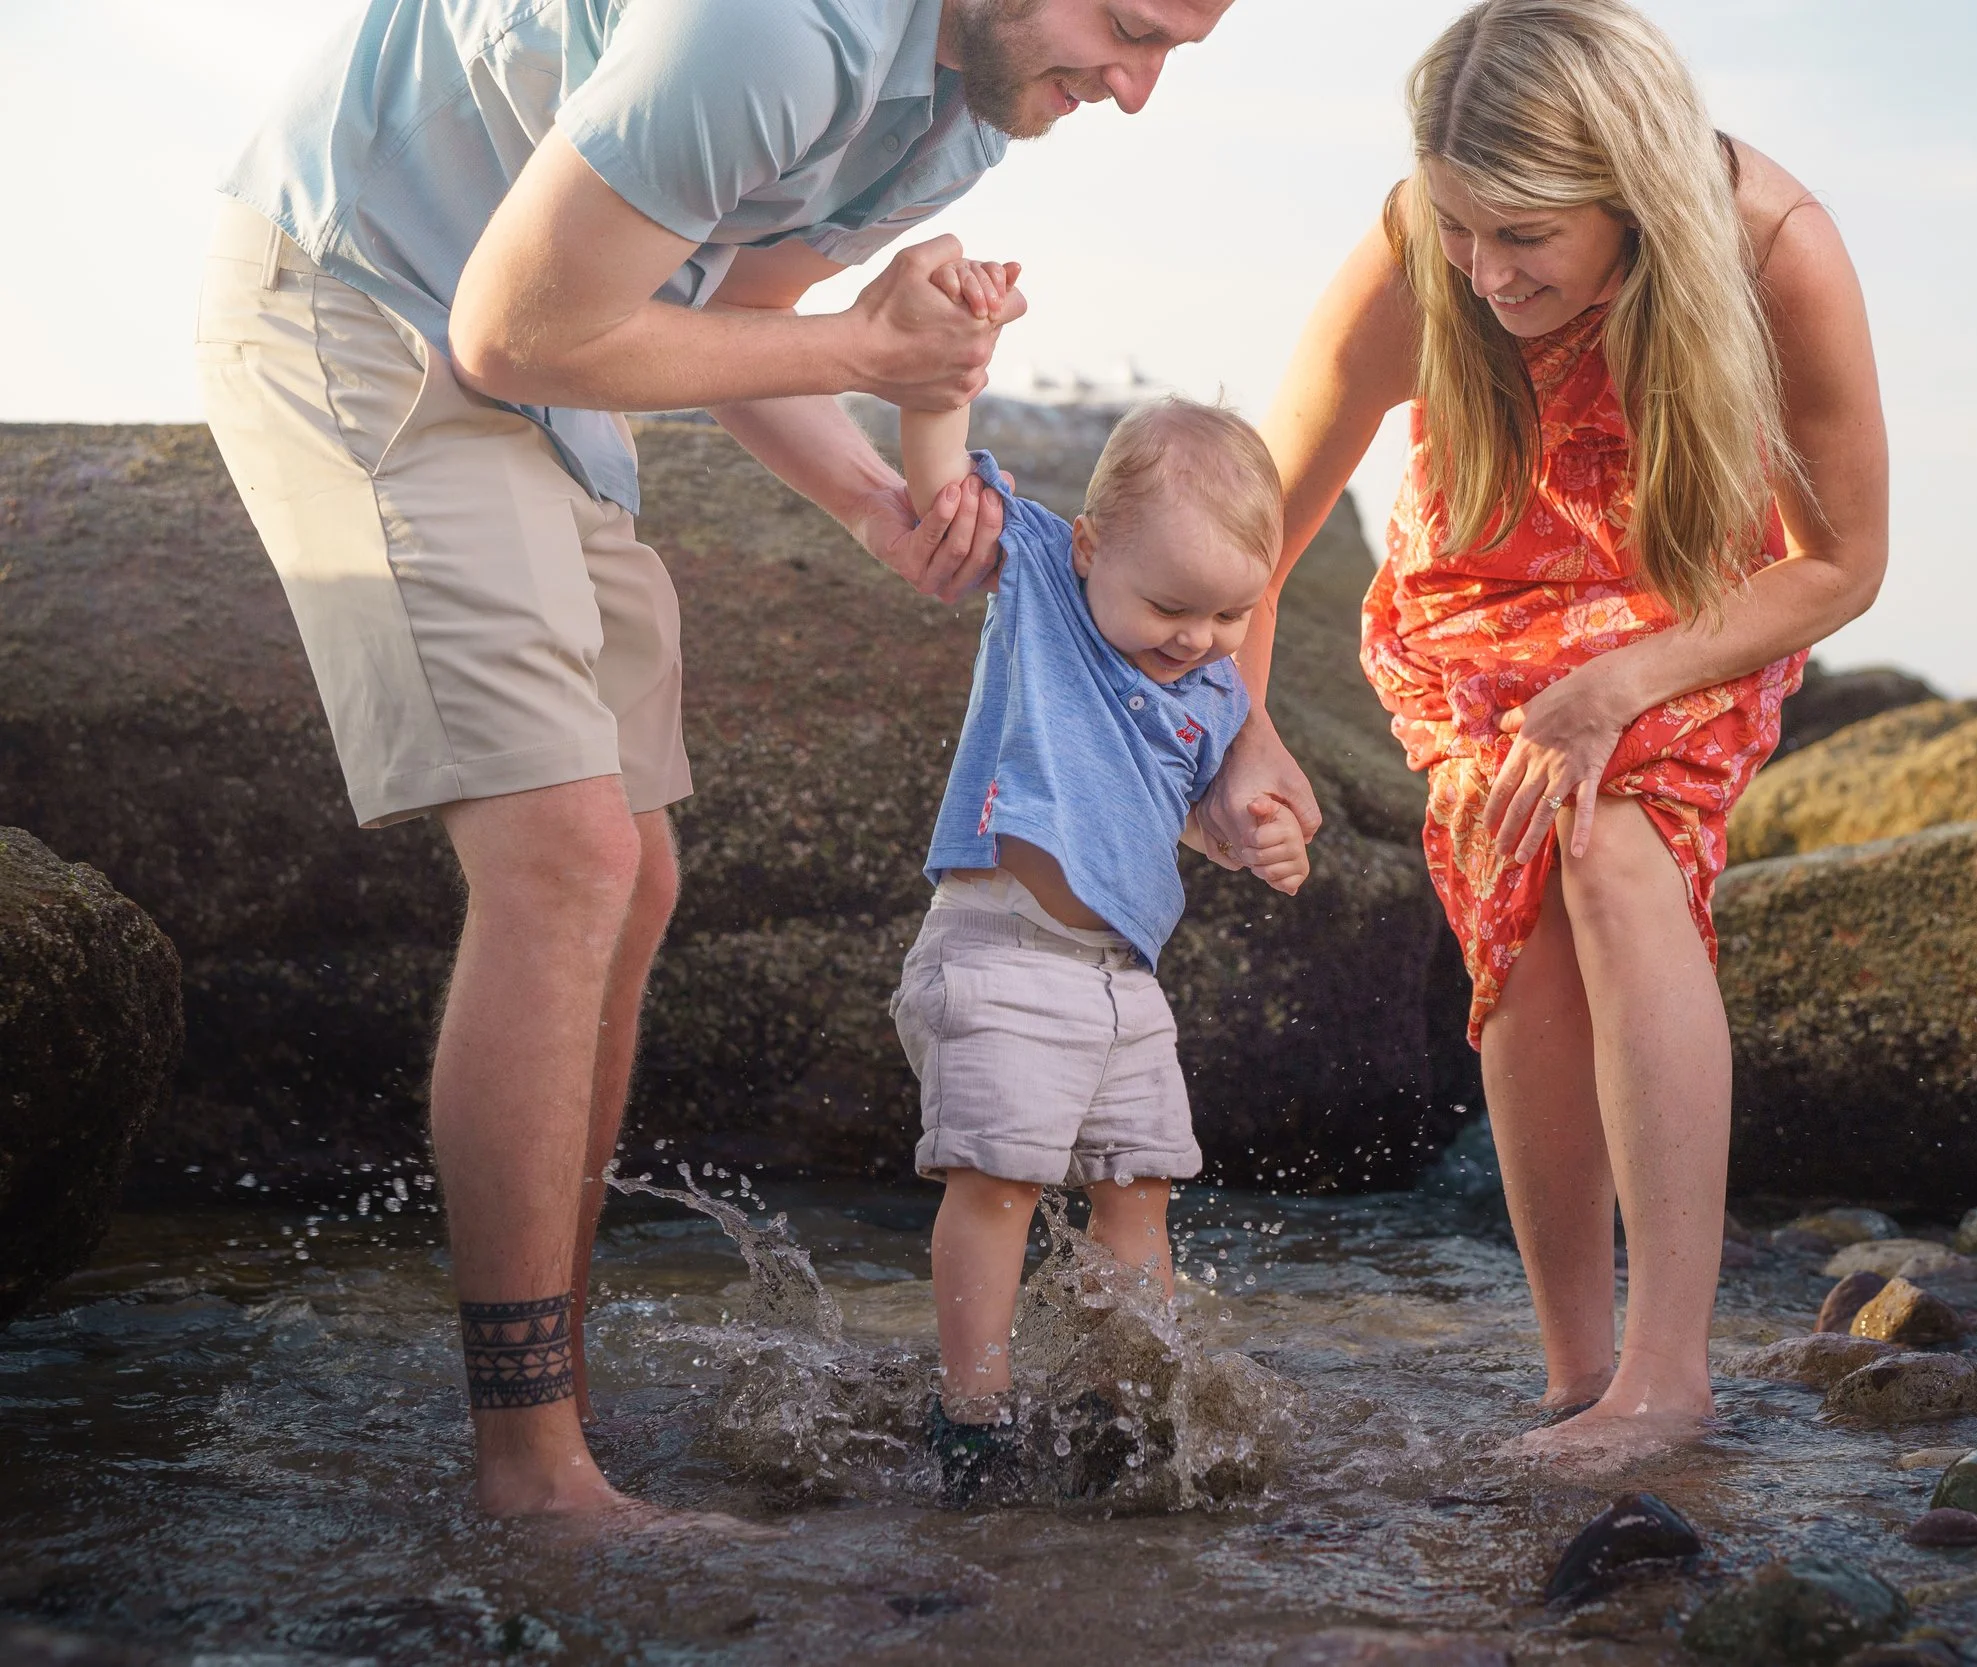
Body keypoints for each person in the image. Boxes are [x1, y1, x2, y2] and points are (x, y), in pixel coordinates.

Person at [194, 0, 1234, 1518]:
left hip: (548, 369)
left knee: (638, 869)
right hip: (371, 298)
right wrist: (872, 343)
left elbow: (732, 327)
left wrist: (878, 498)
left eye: (1175, 54)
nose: (1134, 89)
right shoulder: (780, 23)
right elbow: (510, 324)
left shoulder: (959, 105)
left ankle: (559, 1396)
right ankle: (532, 1467)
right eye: (1129, 26)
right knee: (566, 855)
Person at [1201, 0, 1890, 1464]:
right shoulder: (1423, 252)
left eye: (1524, 233)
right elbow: (1262, 521)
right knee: (1516, 874)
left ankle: (1668, 1379)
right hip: (1486, 590)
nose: (1484, 270)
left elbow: (1841, 562)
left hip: (1690, 601)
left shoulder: (1777, 250)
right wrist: (1240, 729)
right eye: (1461, 225)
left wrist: (1624, 680)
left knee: (1612, 847)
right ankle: (1579, 1377)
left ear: (1631, 194)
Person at [885, 256, 1309, 1504]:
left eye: (1229, 615)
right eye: (1171, 604)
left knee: (1141, 1191)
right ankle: (971, 1410)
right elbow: (938, 478)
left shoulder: (1210, 686)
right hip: (1005, 948)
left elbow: (1210, 819)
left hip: (1125, 981)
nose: (1197, 639)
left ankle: (1129, 1401)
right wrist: (947, 362)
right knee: (1000, 1181)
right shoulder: (1042, 598)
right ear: (1086, 548)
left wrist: (1262, 832)